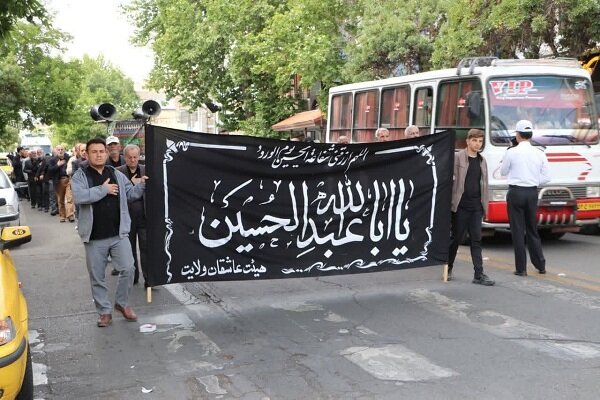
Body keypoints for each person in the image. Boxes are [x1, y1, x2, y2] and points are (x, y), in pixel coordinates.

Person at [71, 137, 147, 327]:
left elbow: (130, 194)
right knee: (97, 276)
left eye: (101, 151)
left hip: (118, 234)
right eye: (94, 152)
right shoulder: (81, 176)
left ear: (107, 153)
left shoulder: (115, 173)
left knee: (128, 269)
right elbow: (80, 197)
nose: (98, 155)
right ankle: (104, 312)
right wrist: (103, 190)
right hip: (94, 237)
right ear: (87, 154)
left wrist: (142, 185)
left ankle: (121, 303)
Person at [500, 120, 550, 276]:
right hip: (532, 192)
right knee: (532, 229)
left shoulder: (511, 152)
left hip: (515, 192)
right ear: (530, 135)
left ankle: (521, 268)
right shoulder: (540, 153)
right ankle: (540, 265)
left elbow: (503, 172)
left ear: (518, 135)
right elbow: (547, 177)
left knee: (517, 230)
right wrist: (533, 181)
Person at [447, 129, 494, 286]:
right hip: (460, 206)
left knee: (476, 240)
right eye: (474, 141)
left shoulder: (482, 161)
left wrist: (484, 208)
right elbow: (450, 180)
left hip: (476, 207)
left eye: (480, 141)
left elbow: (485, 185)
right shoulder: (457, 157)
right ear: (467, 141)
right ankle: (448, 266)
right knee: (456, 239)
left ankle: (478, 274)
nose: (477, 144)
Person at [117, 145, 148, 287]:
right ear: (125, 157)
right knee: (129, 250)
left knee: (146, 248)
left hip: (144, 216)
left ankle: (149, 279)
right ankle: (133, 277)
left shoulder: (146, 170)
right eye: (130, 157)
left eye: (136, 157)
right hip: (127, 218)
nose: (133, 160)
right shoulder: (118, 172)